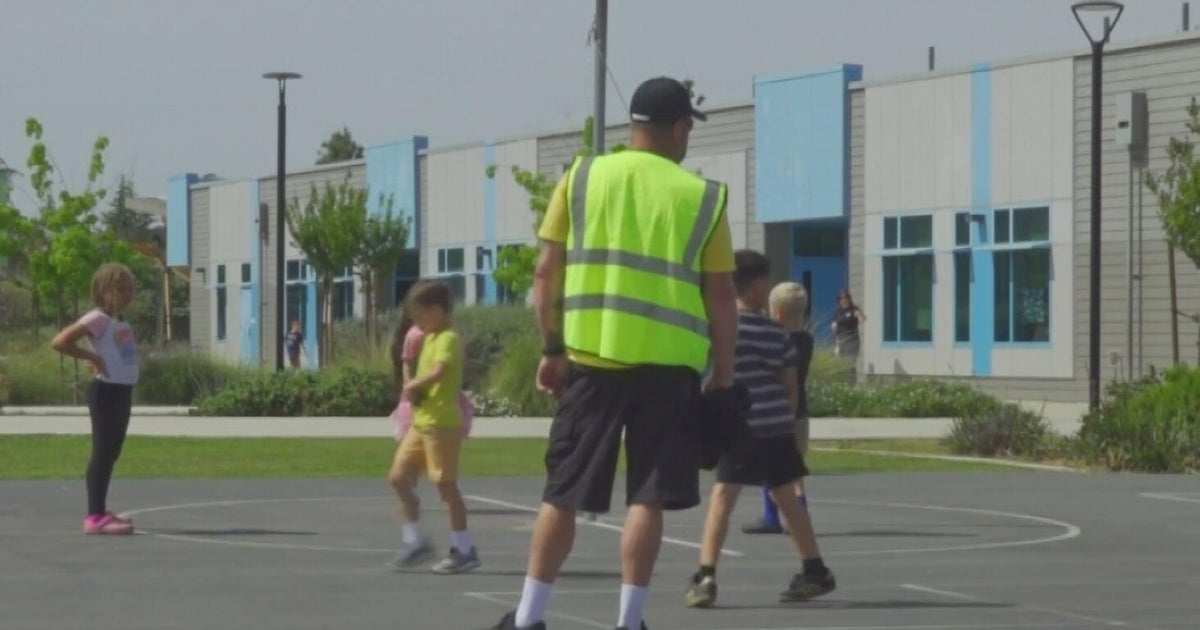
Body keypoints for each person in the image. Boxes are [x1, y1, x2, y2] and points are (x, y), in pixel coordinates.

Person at [486, 76, 739, 630]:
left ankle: (528, 618)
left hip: (592, 361)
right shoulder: (703, 197)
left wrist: (552, 349)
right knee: (646, 497)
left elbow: (546, 271)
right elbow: (720, 295)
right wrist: (724, 371)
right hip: (670, 369)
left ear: (633, 126)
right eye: (689, 127)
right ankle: (631, 620)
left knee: (563, 492)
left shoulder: (581, 176)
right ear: (678, 128)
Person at [684, 250, 835, 608]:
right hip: (775, 426)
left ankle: (707, 575)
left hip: (739, 426)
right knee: (789, 499)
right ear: (757, 286)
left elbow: (711, 379)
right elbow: (790, 385)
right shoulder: (777, 334)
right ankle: (814, 568)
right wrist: (786, 417)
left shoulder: (719, 330)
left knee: (722, 498)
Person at [386, 280, 480, 575]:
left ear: (437, 311)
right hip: (421, 422)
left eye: (419, 316)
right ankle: (415, 541)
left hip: (441, 424)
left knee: (445, 485)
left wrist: (414, 384)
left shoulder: (448, 338)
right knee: (399, 477)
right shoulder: (427, 337)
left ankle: (463, 548)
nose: (415, 323)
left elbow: (439, 371)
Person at [51, 263, 139, 536]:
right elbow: (60, 341)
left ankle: (101, 510)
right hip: (106, 393)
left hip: (122, 391)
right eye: (120, 289)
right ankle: (94, 516)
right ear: (103, 291)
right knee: (102, 453)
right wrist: (92, 358)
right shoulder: (97, 318)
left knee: (112, 453)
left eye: (130, 289)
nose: (127, 294)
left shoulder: (118, 320)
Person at [743, 281, 815, 535]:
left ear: (777, 313)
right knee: (793, 470)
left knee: (771, 468)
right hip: (800, 414)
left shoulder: (776, 339)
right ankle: (794, 516)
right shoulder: (806, 340)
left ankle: (776, 517)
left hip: (775, 411)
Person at [831, 289, 864, 383]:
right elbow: (834, 325)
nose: (844, 300)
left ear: (849, 299)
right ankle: (842, 383)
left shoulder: (854, 310)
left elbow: (861, 318)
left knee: (850, 364)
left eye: (846, 297)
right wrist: (834, 326)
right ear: (839, 301)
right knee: (840, 364)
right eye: (841, 298)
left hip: (852, 342)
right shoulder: (837, 312)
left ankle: (851, 385)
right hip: (840, 341)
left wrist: (859, 316)